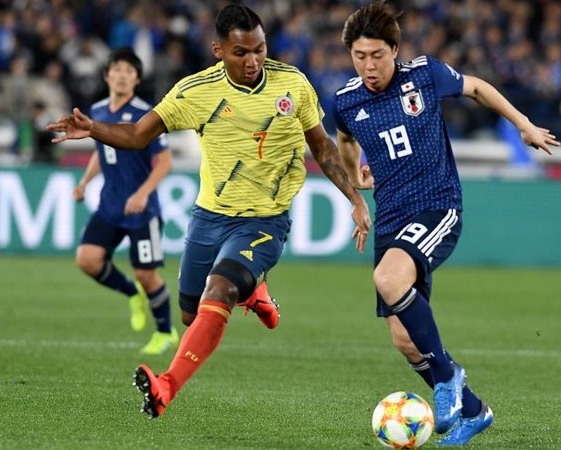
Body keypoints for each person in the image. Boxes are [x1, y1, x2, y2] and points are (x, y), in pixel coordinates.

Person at [48, 4, 371, 419]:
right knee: (191, 314)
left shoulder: (293, 83)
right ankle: (253, 291)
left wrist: (355, 198)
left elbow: (322, 145)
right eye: (241, 52)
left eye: (259, 49)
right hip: (210, 216)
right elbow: (137, 135)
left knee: (219, 291)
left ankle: (166, 385)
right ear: (218, 50)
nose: (253, 61)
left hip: (264, 220)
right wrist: (93, 128)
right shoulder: (195, 92)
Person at [333, 2, 560, 446]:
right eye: (359, 56)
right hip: (391, 217)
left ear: (394, 50)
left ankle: (448, 375)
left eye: (377, 55)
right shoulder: (345, 100)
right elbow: (343, 139)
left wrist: (523, 124)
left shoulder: (424, 75)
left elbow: (477, 88)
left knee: (388, 278)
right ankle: (474, 411)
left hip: (437, 206)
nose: (368, 65)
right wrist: (356, 182)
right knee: (403, 338)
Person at [72, 48, 178, 355]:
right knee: (87, 260)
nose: (122, 75)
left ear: (137, 79)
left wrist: (143, 193)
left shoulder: (148, 115)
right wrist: (85, 181)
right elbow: (101, 151)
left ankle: (165, 332)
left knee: (147, 274)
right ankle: (132, 293)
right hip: (110, 204)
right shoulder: (98, 111)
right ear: (107, 75)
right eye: (116, 69)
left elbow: (165, 162)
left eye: (129, 71)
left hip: (142, 210)